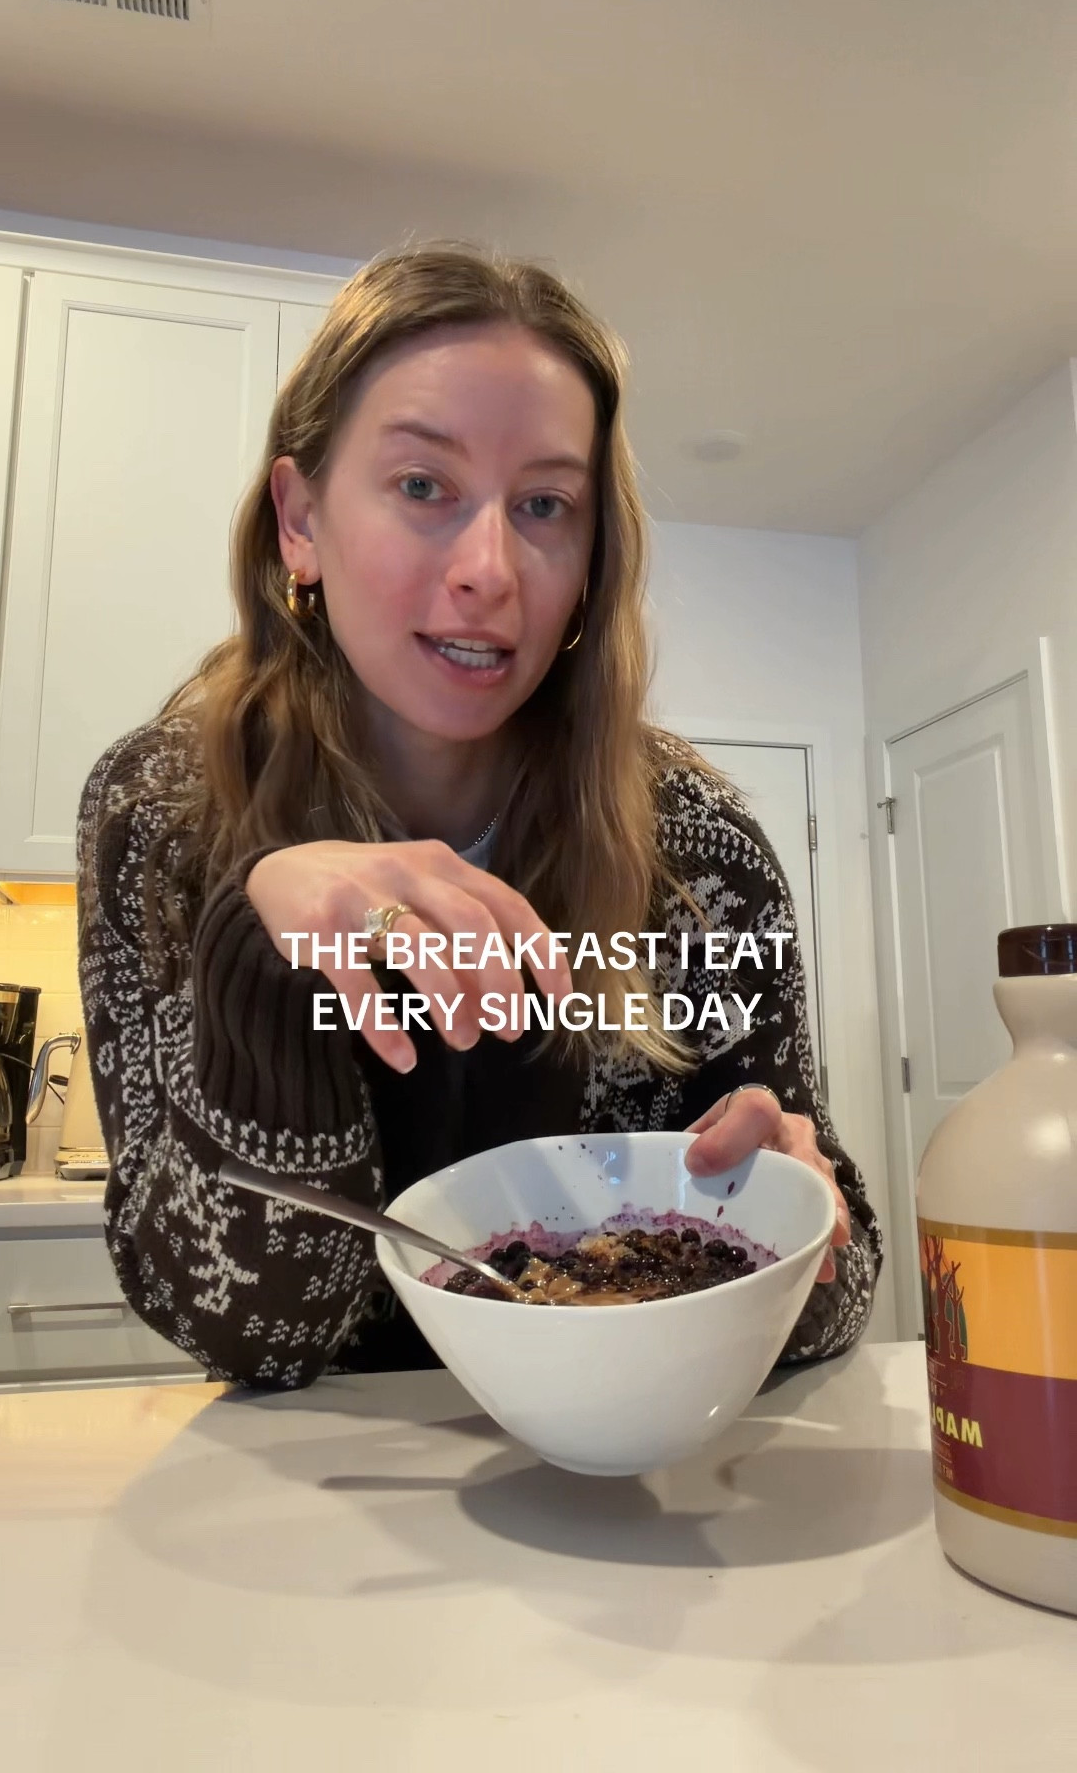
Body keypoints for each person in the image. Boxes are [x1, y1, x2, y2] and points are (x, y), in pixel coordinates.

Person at [76, 241, 882, 1387]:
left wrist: (791, 1223)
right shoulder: (167, 814)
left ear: (592, 561)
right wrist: (261, 950)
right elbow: (242, 1331)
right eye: (423, 487)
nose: (491, 569)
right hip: (324, 1482)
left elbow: (846, 1288)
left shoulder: (702, 851)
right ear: (300, 520)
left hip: (638, 1459)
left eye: (545, 504)